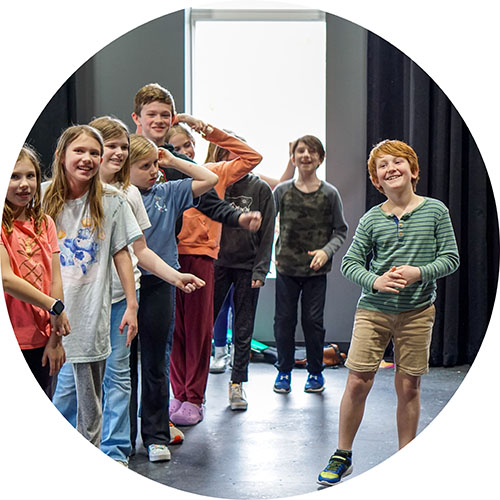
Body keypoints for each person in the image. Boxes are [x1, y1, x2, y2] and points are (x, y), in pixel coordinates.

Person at [317, 139, 460, 486]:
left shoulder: (436, 211)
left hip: (417, 312)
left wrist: (419, 272)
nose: (391, 168)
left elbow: (451, 259)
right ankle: (343, 454)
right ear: (376, 180)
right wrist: (375, 281)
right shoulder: (370, 220)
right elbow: (350, 263)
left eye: (398, 162)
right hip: (373, 311)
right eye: (382, 166)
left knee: (409, 385)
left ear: (414, 171)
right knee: (356, 382)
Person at [89, 116, 205, 466]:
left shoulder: (128, 196)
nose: (118, 153)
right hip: (84, 300)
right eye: (112, 146)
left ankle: (121, 446)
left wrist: (175, 277)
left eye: (123, 147)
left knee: (125, 374)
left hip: (125, 297)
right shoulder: (72, 189)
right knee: (82, 378)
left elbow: (140, 251)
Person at [43, 125, 142, 447]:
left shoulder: (112, 201)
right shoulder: (41, 196)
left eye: (94, 153)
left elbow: (121, 253)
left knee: (89, 402)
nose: (87, 158)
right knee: (56, 392)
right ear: (61, 156)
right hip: (44, 313)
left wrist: (131, 305)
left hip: (89, 317)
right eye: (79, 151)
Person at [127, 133, 217, 461]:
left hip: (160, 285)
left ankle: (155, 435)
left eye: (155, 164)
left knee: (155, 362)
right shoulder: (120, 197)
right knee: (123, 366)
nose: (153, 171)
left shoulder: (169, 192)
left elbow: (210, 177)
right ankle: (122, 436)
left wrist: (171, 159)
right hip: (125, 286)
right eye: (145, 166)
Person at [168, 119, 263, 425]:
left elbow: (252, 158)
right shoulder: (162, 174)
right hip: (166, 257)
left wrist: (206, 128)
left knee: (198, 330)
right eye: (176, 148)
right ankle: (178, 393)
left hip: (202, 258)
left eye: (187, 145)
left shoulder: (213, 173)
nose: (183, 152)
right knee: (174, 331)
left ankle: (194, 397)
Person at [273, 135, 348, 394]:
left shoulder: (330, 193)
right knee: (283, 321)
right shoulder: (281, 191)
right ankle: (283, 371)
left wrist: (326, 252)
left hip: (316, 271)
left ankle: (315, 372)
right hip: (286, 270)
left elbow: (340, 231)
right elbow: (267, 227)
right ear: (293, 158)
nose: (305, 155)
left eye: (311, 151)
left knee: (313, 322)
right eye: (300, 151)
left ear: (320, 158)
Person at [1, 145, 70, 399]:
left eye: (30, 176)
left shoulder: (45, 222)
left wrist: (55, 339)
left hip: (41, 338)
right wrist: (54, 306)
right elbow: (7, 279)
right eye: (14, 176)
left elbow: (55, 278)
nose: (24, 184)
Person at [212, 160, 276, 409]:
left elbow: (268, 231)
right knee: (204, 324)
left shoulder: (260, 189)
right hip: (216, 264)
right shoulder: (214, 183)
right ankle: (194, 391)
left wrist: (261, 268)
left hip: (247, 267)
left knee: (243, 327)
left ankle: (237, 384)